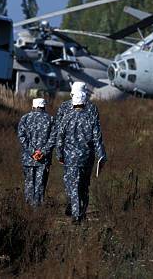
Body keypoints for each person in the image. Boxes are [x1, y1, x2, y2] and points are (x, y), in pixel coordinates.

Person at [55, 89, 107, 223]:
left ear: (73, 102)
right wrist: (102, 156)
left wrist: (59, 155)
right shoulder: (91, 118)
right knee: (84, 185)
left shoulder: (66, 118)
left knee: (73, 185)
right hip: (87, 158)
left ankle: (76, 214)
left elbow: (59, 139)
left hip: (70, 158)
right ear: (84, 101)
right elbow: (97, 139)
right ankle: (82, 212)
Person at [17, 98, 54, 206]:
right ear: (44, 106)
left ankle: (28, 209)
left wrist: (32, 152)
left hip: (28, 158)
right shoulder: (51, 119)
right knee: (41, 184)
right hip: (44, 159)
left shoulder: (25, 118)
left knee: (29, 183)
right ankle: (38, 209)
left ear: (33, 106)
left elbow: (22, 137)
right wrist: (43, 152)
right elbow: (53, 138)